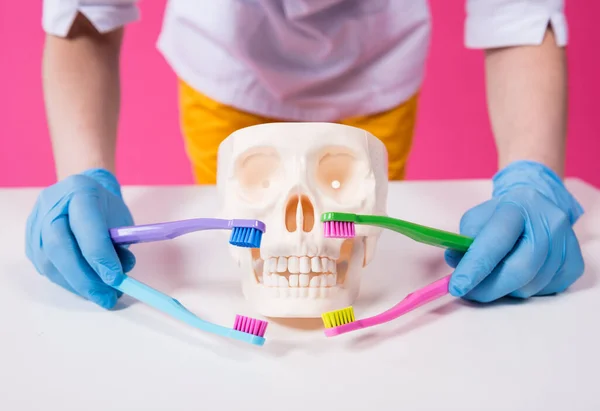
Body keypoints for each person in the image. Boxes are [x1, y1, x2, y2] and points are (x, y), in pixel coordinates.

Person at [26, 1, 585, 309]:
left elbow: (519, 16)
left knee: (344, 234)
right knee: (267, 231)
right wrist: (83, 172)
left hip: (376, 71)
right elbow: (83, 13)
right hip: (226, 71)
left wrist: (530, 178)